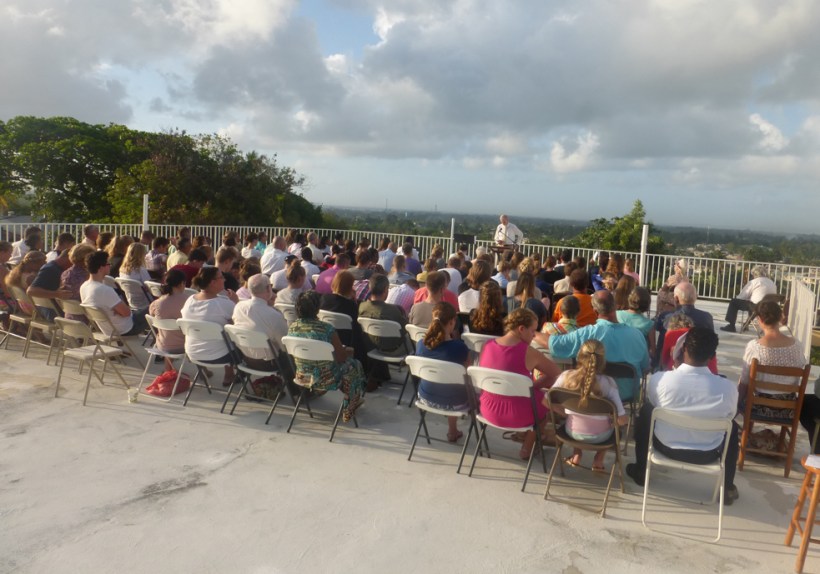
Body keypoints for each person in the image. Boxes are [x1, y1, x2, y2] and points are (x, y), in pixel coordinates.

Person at [626, 327, 740, 506]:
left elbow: (653, 401)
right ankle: (727, 487)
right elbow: (730, 414)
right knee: (732, 426)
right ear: (712, 356)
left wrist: (676, 366)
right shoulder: (728, 388)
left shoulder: (660, 380)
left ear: (683, 349)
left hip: (665, 446)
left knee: (647, 410)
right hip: (708, 453)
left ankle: (641, 469)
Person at [478, 308, 561, 459]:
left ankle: (525, 436)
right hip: (517, 415)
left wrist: (528, 388)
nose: (534, 335)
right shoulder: (528, 352)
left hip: (486, 410)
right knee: (544, 401)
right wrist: (533, 387)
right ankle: (526, 449)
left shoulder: (487, 345)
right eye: (533, 331)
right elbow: (557, 373)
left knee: (531, 396)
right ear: (521, 329)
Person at [540, 290, 650, 402]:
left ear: (595, 311)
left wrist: (533, 333)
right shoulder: (638, 335)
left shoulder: (587, 333)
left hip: (596, 394)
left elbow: (555, 344)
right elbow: (645, 368)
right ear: (615, 306)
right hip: (628, 395)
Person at [288, 291, 365, 422]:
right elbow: (341, 358)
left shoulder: (292, 328)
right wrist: (347, 351)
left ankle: (325, 392)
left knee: (342, 366)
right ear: (317, 308)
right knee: (354, 365)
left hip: (303, 377)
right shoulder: (327, 329)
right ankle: (351, 403)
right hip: (327, 380)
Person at [551, 340, 628, 471]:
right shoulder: (609, 383)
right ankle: (598, 460)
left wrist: (565, 414)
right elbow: (621, 420)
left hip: (571, 433)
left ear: (579, 356)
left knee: (578, 417)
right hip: (601, 437)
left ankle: (576, 454)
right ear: (602, 360)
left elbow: (546, 401)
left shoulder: (566, 377)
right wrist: (615, 421)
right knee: (615, 425)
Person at [738, 301, 807, 419]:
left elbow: (744, 381)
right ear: (780, 317)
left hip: (757, 406)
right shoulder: (798, 346)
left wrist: (736, 402)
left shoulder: (754, 347)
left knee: (743, 386)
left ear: (760, 319)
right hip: (788, 409)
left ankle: (745, 427)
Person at [415, 302, 470, 442]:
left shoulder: (420, 344)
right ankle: (452, 430)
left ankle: (453, 431)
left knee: (448, 383)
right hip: (455, 403)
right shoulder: (460, 347)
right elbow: (468, 375)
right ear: (452, 322)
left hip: (425, 398)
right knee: (457, 386)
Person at [180, 267, 238, 385]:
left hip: (193, 353)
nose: (224, 279)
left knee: (215, 333)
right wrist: (235, 302)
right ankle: (229, 374)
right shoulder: (224, 304)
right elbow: (241, 322)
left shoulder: (190, 300)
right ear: (213, 282)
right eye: (221, 277)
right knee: (239, 336)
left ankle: (204, 371)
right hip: (220, 356)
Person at [80, 251, 148, 337]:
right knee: (155, 307)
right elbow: (126, 313)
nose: (110, 266)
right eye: (108, 264)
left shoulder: (84, 286)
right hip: (126, 328)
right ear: (101, 268)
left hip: (108, 330)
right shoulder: (105, 290)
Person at [232, 273, 288, 360]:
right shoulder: (274, 315)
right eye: (270, 286)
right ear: (268, 288)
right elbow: (285, 346)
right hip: (271, 362)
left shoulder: (239, 307)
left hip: (246, 358)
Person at [148, 269, 188, 371]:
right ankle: (204, 371)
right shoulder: (188, 301)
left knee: (168, 333)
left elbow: (152, 316)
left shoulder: (157, 303)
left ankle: (168, 370)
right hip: (184, 346)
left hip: (162, 345)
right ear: (181, 283)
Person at [721, 266, 778, 332]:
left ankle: (731, 326)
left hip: (757, 307)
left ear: (755, 274)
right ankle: (746, 325)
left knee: (734, 302)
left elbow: (742, 296)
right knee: (753, 304)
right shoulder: (771, 282)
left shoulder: (754, 282)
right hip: (769, 307)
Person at [26, 249, 73, 319]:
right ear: (68, 258)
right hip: (54, 314)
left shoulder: (55, 268)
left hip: (55, 311)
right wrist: (57, 294)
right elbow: (31, 291)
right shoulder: (50, 269)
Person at [616, 287, 656, 361]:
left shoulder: (616, 315)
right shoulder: (649, 324)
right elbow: (653, 352)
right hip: (637, 363)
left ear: (629, 299)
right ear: (647, 304)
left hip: (616, 358)